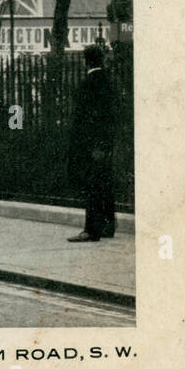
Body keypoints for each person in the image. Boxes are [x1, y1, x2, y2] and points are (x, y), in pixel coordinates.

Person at [67, 45, 119, 242]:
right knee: (105, 184)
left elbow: (90, 117)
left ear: (85, 60)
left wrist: (93, 145)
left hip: (92, 144)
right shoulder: (109, 80)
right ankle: (108, 226)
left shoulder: (90, 82)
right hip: (105, 143)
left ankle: (91, 230)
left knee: (92, 186)